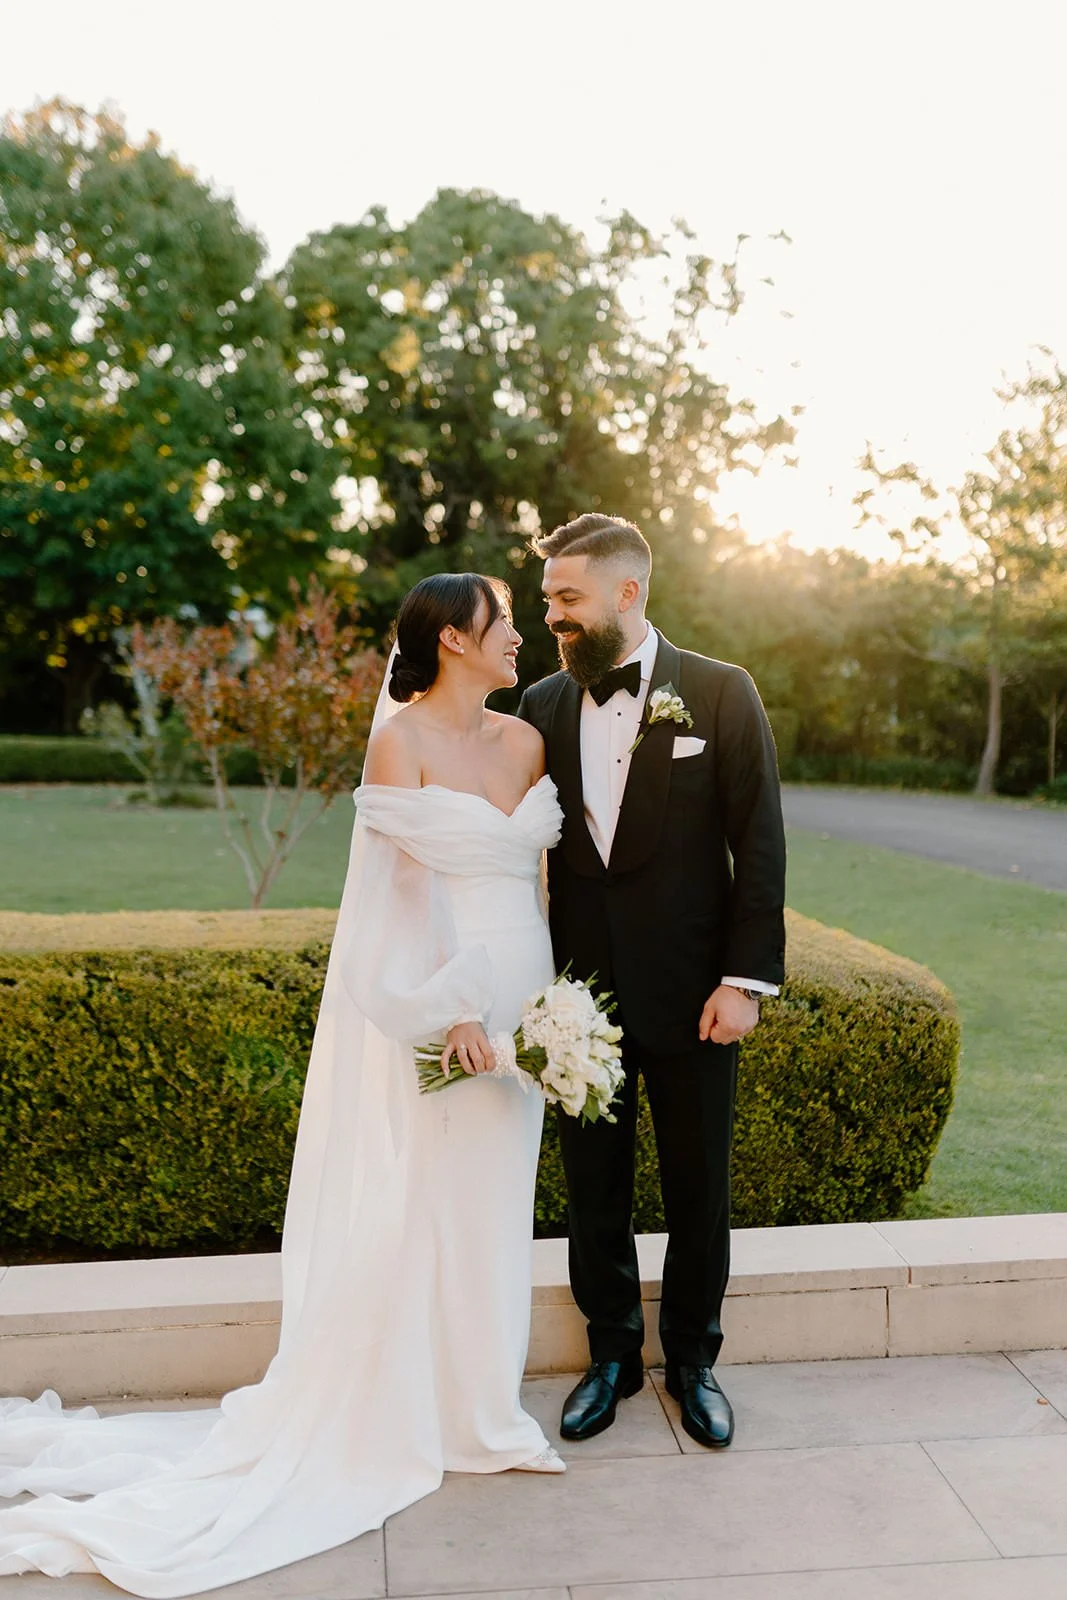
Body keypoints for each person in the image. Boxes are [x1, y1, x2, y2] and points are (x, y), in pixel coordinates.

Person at [0, 573, 565, 1598]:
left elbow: (534, 884)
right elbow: (400, 894)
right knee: (427, 1202)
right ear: (451, 638)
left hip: (526, 1003)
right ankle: (415, 1412)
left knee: (494, 1207)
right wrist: (451, 1011)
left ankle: (481, 1411)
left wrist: (551, 1013)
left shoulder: (526, 740)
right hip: (447, 999)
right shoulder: (401, 743)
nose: (520, 634)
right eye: (504, 621)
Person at [518, 514, 786, 1450]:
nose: (549, 613)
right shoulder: (539, 705)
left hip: (692, 992)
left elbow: (757, 844)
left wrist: (744, 980)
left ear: (625, 595)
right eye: (547, 597)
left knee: (696, 1182)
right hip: (577, 999)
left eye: (566, 597)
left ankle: (694, 1361)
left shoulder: (719, 693)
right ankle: (610, 1357)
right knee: (592, 1183)